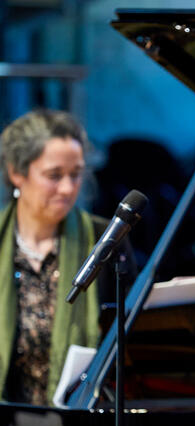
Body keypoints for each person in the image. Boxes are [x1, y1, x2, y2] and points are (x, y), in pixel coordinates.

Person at [0, 109, 136, 407]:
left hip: (79, 425)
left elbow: (131, 342)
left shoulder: (106, 239)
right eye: (54, 175)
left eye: (75, 174)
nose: (67, 188)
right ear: (16, 173)